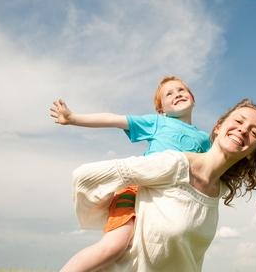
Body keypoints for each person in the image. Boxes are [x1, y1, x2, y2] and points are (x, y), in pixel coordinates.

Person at [73, 98, 256, 271]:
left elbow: (245, 180)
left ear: (251, 153)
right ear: (219, 127)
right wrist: (127, 205)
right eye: (238, 121)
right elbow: (85, 177)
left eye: (254, 132)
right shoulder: (173, 164)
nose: (243, 130)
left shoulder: (220, 188)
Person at [50, 76, 211, 272]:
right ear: (161, 110)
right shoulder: (158, 123)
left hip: (167, 203)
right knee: (114, 246)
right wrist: (73, 118)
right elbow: (114, 119)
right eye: (169, 94)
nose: (177, 94)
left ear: (192, 98)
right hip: (135, 191)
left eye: (181, 90)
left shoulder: (204, 140)